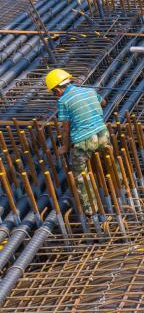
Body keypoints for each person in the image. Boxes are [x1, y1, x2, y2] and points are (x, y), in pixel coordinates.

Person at [46, 68, 108, 214]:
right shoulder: (90, 91)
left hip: (84, 141)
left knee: (79, 173)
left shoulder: (63, 101)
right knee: (109, 160)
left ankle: (90, 208)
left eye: (54, 93)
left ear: (57, 90)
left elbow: (66, 129)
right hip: (103, 134)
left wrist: (65, 147)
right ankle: (120, 188)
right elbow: (104, 102)